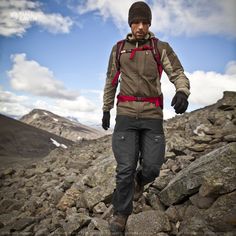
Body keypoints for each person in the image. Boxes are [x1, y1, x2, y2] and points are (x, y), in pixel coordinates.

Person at [102, 1, 190, 234]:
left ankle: (140, 182)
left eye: (144, 22)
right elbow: (111, 81)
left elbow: (178, 73)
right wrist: (106, 109)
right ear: (130, 24)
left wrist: (182, 91)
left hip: (152, 116)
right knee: (125, 167)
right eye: (136, 22)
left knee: (153, 166)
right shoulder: (119, 48)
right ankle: (121, 213)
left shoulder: (159, 47)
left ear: (149, 24)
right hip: (126, 116)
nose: (140, 27)